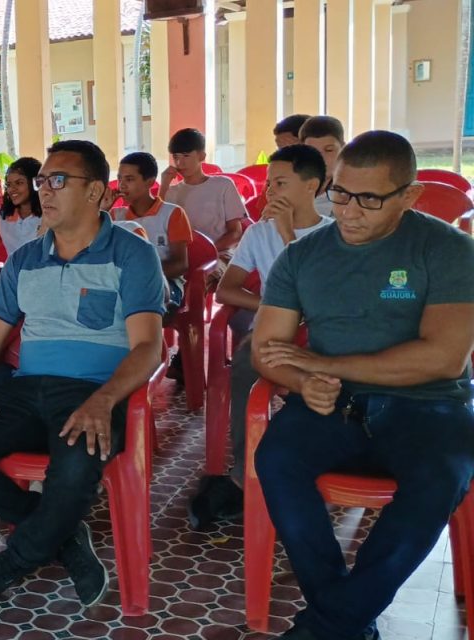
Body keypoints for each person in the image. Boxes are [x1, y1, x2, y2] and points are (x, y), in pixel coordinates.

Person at [250, 131, 474, 640]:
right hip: (332, 401)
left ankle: (331, 624)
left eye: (370, 200)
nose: (348, 212)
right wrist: (302, 379)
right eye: (341, 194)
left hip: (428, 406)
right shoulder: (303, 256)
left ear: (410, 196)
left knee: (442, 476)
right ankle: (345, 621)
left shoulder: (448, 249)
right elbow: (267, 349)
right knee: (277, 458)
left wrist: (321, 364)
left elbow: (442, 359)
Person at [0, 140, 164, 604]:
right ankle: (64, 536)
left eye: (58, 180)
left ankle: (18, 558)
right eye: (42, 181)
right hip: (26, 388)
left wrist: (105, 399)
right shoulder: (24, 260)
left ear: (97, 192)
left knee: (77, 460)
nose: (45, 191)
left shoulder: (131, 255)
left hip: (92, 392)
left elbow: (148, 347)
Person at [187, 144, 334, 531]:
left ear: (312, 186)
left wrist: (288, 236)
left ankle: (317, 464)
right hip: (275, 330)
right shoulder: (258, 233)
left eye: (281, 183)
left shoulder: (332, 234)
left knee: (327, 379)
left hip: (322, 333)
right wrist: (273, 304)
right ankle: (242, 471)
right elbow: (227, 291)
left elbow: (318, 299)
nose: (271, 192)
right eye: (269, 183)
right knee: (247, 361)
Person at [110, 152, 192, 310]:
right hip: (123, 285)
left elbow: (180, 264)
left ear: (150, 182)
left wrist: (143, 275)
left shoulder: (172, 213)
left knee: (142, 303)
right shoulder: (114, 215)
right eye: (120, 179)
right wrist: (103, 210)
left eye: (129, 179)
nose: (121, 186)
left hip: (167, 282)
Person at [159, 128, 247, 262]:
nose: (179, 163)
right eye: (176, 157)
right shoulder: (170, 192)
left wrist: (207, 251)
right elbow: (157, 226)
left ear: (201, 156)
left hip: (219, 254)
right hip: (182, 258)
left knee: (205, 277)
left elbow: (235, 232)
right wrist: (164, 185)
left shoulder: (223, 185)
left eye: (186, 156)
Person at [0, 158, 43, 263]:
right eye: (9, 184)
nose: (12, 189)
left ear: (36, 183)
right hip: (12, 276)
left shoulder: (51, 215)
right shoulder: (4, 217)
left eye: (19, 183)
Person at [299, 115, 347, 218]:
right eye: (312, 151)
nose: (320, 158)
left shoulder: (351, 194)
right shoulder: (292, 189)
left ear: (343, 148)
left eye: (329, 150)